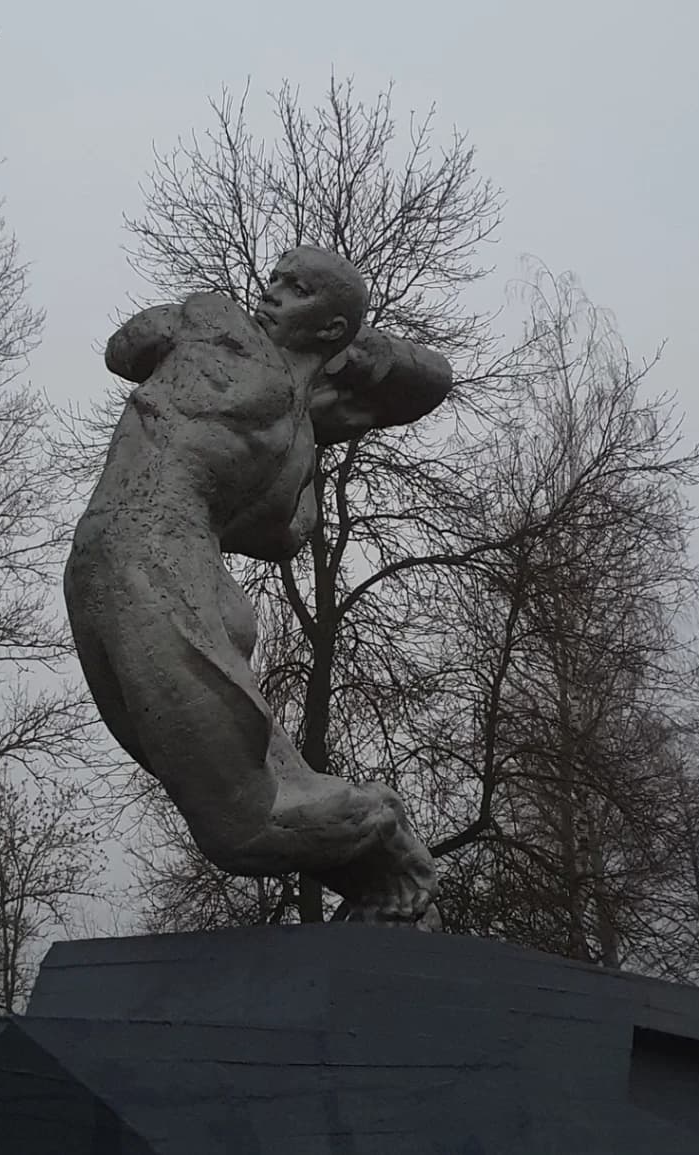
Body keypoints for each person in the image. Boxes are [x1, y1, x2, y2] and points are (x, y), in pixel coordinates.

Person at [65, 246, 453, 922]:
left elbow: (433, 379)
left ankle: (386, 839)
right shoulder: (225, 335)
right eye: (274, 278)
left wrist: (339, 361)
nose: (270, 291)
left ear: (332, 330)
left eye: (295, 288)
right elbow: (121, 350)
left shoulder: (284, 423)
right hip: (104, 566)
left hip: (158, 566)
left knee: (241, 824)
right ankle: (379, 881)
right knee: (248, 789)